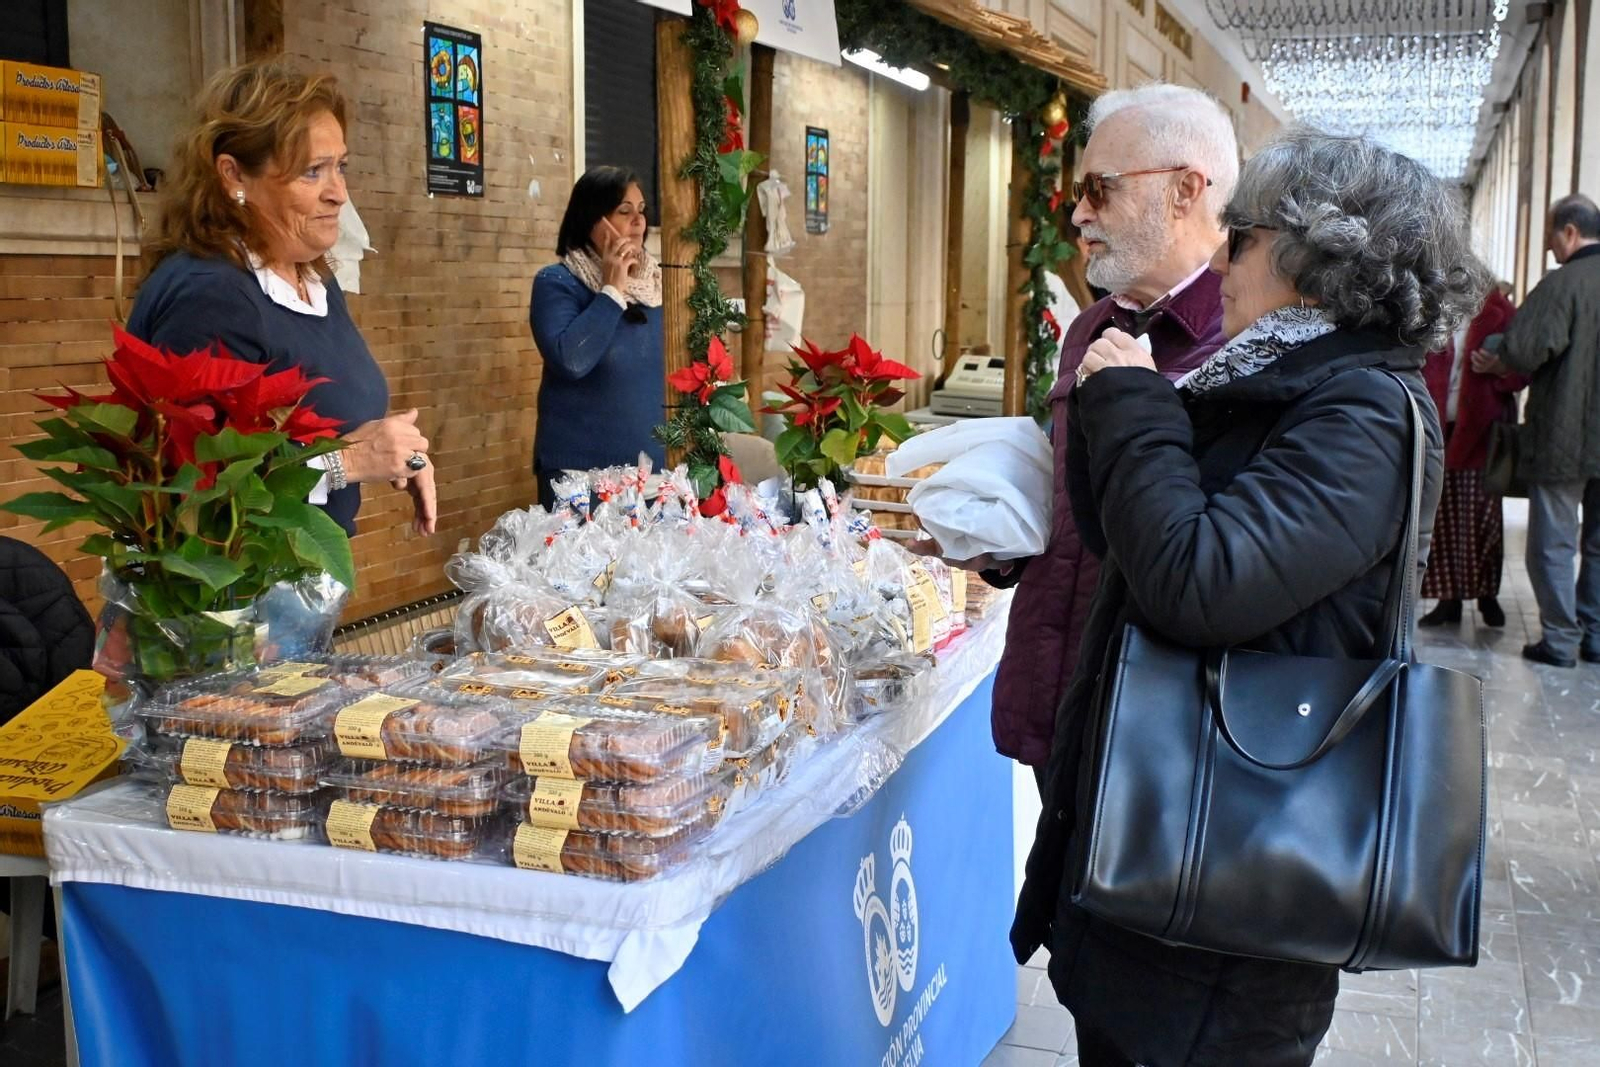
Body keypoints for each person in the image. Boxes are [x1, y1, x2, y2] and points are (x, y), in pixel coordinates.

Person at [1013, 129, 1484, 1065]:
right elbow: (1129, 545)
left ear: (1317, 257)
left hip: (1229, 901)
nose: (1223, 259)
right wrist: (1113, 407)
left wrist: (1137, 404)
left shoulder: (1361, 412)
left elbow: (1198, 582)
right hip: (1167, 859)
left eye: (1244, 237)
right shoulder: (1269, 377)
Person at [921, 84, 1239, 785]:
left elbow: (1221, 555)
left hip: (1161, 723)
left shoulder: (1241, 339)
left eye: (1101, 189)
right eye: (1079, 191)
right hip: (1060, 691)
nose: (1078, 214)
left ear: (1186, 190)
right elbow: (1075, 510)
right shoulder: (1092, 326)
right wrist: (1002, 541)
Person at [127, 61, 434, 539]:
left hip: (302, 573)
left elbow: (322, 426)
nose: (339, 194)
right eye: (312, 172)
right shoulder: (212, 294)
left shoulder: (311, 277)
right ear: (234, 176)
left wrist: (397, 450)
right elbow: (194, 487)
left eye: (340, 167)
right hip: (227, 583)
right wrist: (352, 460)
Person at [1481, 195, 1600, 666]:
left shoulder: (1563, 284)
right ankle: (1596, 635)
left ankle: (1560, 640)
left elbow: (1525, 349)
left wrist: (1496, 346)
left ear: (1569, 232)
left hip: (1565, 437)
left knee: (1553, 542)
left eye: (1551, 235)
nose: (1549, 246)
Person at [529, 166, 666, 506]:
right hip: (578, 478)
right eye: (624, 211)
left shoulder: (655, 287)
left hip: (651, 476)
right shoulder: (557, 283)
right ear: (594, 221)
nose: (639, 221)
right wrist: (611, 290)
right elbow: (572, 360)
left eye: (642, 210)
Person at [1418, 285, 1523, 627]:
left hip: (1483, 431)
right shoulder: (1432, 308)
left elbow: (1525, 365)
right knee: (1442, 519)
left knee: (1483, 517)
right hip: (1440, 427)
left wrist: (1501, 369)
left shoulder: (1499, 310)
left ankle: (1487, 595)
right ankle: (1448, 600)